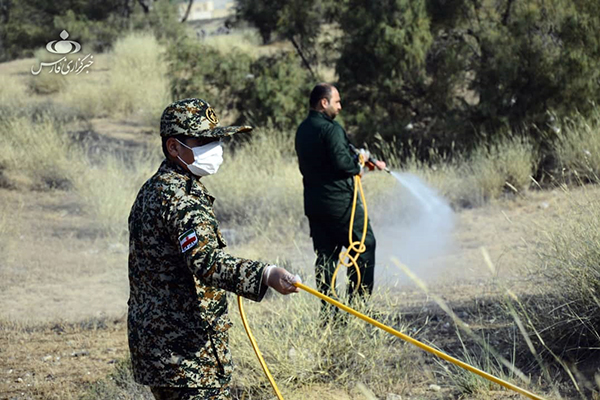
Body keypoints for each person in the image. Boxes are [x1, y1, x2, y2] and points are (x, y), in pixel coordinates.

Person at [128, 98, 300, 400]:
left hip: (163, 349)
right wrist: (266, 274)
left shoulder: (156, 188)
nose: (215, 147)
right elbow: (206, 262)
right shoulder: (180, 197)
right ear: (173, 147)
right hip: (186, 355)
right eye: (203, 140)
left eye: (216, 138)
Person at [295, 83, 386, 317]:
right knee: (364, 246)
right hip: (341, 205)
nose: (340, 106)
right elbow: (343, 163)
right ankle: (358, 309)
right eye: (336, 102)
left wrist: (362, 160)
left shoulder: (303, 129)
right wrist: (361, 163)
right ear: (323, 103)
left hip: (315, 204)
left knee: (326, 255)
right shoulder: (331, 129)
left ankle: (330, 313)